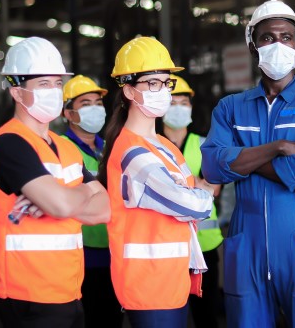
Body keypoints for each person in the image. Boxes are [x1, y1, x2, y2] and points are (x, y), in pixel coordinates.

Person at [201, 0, 295, 327]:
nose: (277, 44)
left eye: (286, 37)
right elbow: (211, 166)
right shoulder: (231, 107)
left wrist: (242, 161)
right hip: (245, 241)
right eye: (267, 38)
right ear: (253, 46)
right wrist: (278, 147)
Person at [0, 36, 110, 327]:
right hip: (28, 296)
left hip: (69, 289)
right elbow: (60, 204)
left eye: (57, 84)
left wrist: (64, 199)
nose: (54, 92)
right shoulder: (8, 144)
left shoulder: (65, 146)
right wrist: (72, 197)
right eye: (43, 84)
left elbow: (104, 209)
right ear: (17, 92)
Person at [97, 36, 214, 328]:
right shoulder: (131, 151)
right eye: (152, 83)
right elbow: (193, 203)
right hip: (149, 285)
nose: (162, 91)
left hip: (171, 279)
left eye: (166, 82)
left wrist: (197, 196)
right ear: (128, 90)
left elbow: (191, 199)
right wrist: (201, 197)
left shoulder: (163, 145)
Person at [160, 74, 224, 328]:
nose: (179, 108)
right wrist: (196, 183)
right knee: (169, 317)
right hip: (167, 245)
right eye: (172, 102)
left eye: (184, 102)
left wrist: (172, 186)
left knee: (206, 316)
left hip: (205, 246)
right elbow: (204, 187)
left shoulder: (205, 145)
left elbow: (214, 189)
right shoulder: (150, 145)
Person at [62, 75, 123, 327]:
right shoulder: (62, 148)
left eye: (98, 103)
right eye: (85, 103)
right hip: (82, 254)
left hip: (114, 250)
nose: (95, 109)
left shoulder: (110, 146)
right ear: (68, 113)